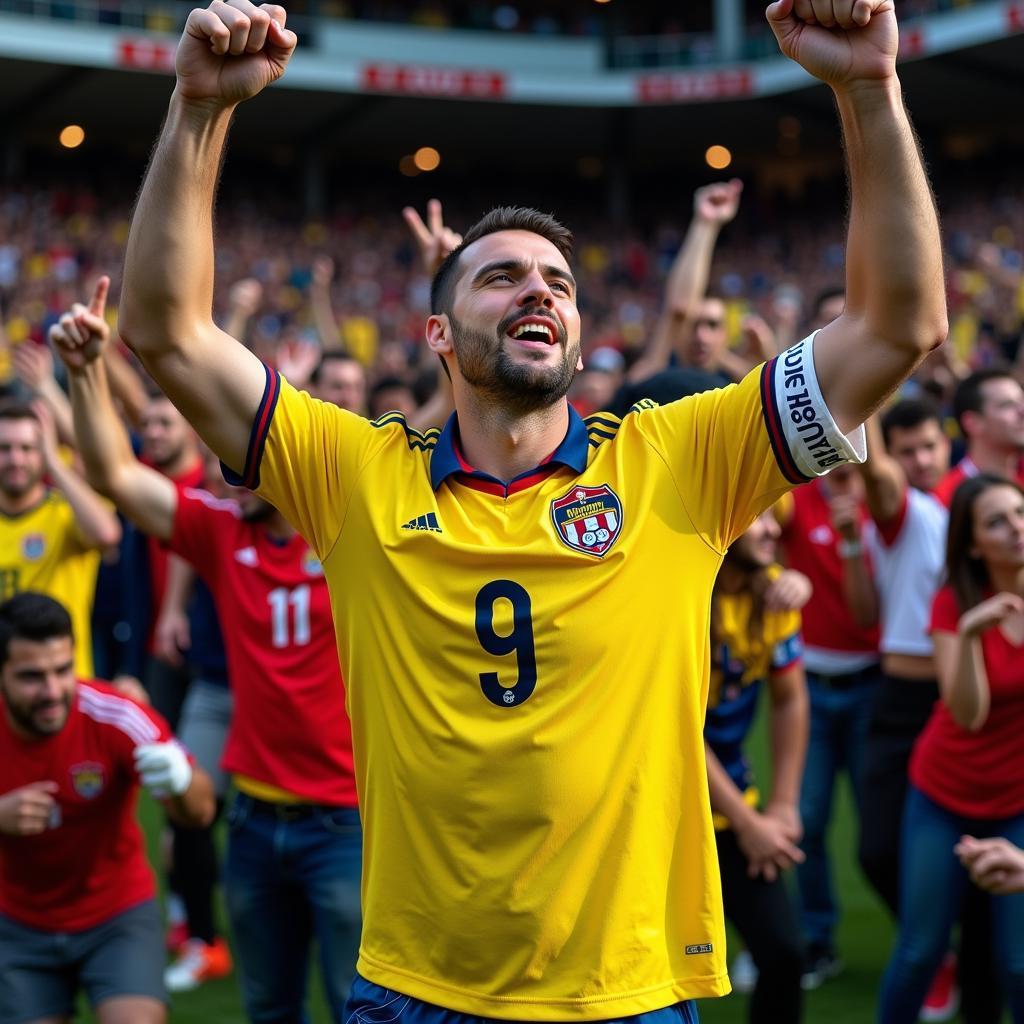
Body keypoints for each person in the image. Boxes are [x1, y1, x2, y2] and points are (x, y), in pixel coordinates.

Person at [97, 0, 945, 1019]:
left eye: (556, 282)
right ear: (439, 333)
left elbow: (899, 326)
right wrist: (194, 108)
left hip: (623, 990)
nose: (536, 291)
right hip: (416, 987)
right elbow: (164, 329)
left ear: (580, 337)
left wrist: (869, 91)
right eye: (499, 278)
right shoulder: (354, 474)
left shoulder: (679, 460)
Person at [53, 283, 362, 1023]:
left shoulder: (354, 530)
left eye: (242, 452)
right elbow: (118, 478)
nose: (226, 463)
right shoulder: (225, 532)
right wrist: (88, 372)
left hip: (347, 822)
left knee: (363, 1009)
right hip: (253, 821)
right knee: (267, 1008)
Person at [0, 591, 214, 1024]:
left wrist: (180, 780)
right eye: (31, 677)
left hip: (115, 917)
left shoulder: (114, 714)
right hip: (16, 924)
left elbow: (201, 811)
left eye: (63, 670)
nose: (52, 691)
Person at [878, 475, 1024, 1021]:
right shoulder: (952, 602)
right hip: (944, 793)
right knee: (919, 951)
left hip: (1017, 800)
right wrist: (968, 635)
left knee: (1019, 963)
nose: (1015, 528)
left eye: (1018, 511)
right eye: (996, 521)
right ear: (971, 543)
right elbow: (969, 714)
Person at [776, 459, 881, 987]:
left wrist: (852, 541)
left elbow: (865, 616)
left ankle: (930, 941)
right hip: (812, 684)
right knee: (809, 819)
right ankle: (818, 939)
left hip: (870, 684)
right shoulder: (799, 497)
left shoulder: (881, 504)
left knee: (879, 829)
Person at [704, 510, 809, 1023]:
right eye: (760, 517)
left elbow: (790, 700)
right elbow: (671, 727)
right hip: (654, 810)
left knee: (784, 955)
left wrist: (783, 807)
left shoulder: (773, 595)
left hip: (732, 803)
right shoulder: (682, 590)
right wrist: (752, 827)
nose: (773, 530)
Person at [0, 397, 121, 678]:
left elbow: (107, 534)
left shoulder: (68, 512)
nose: (16, 459)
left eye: (28, 448)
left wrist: (54, 464)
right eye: (4, 449)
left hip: (63, 686)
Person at [932, 369, 1024, 507]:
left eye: (1022, 402)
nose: (1022, 411)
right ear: (972, 422)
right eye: (1007, 405)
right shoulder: (944, 499)